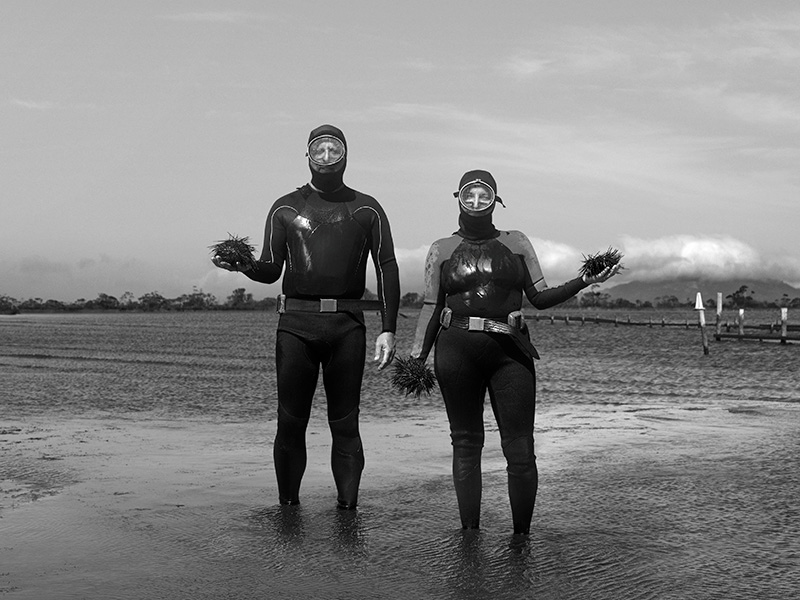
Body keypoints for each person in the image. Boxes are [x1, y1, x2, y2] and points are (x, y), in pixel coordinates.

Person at [410, 169, 618, 535]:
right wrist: (416, 356)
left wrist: (584, 281)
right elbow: (430, 306)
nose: (476, 201)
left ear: (496, 200)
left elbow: (539, 297)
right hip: (455, 350)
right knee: (466, 443)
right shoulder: (440, 249)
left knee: (520, 450)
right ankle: (469, 537)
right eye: (469, 195)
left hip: (511, 352)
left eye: (484, 194)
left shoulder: (516, 242)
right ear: (457, 197)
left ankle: (521, 540)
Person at [213, 124, 400, 510]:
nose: (328, 156)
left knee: (345, 425)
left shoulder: (366, 209)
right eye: (320, 150)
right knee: (290, 423)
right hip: (295, 327)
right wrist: (242, 265)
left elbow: (387, 267)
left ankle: (348, 517)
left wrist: (389, 329)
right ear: (308, 156)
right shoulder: (286, 207)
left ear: (346, 156)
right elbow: (270, 268)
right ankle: (287, 510)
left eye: (335, 149)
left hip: (347, 328)